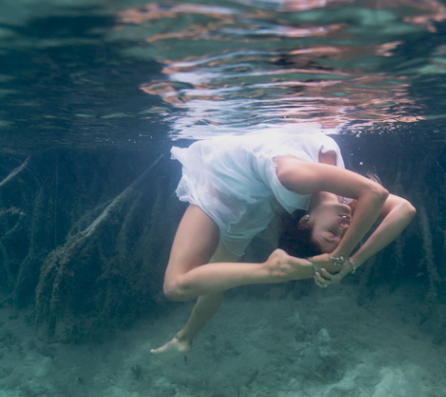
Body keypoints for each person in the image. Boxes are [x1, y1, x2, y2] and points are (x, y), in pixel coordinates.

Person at [151, 127, 416, 358]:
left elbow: (375, 193)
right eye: (340, 236)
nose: (345, 230)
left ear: (306, 222)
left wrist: (340, 257)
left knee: (176, 286)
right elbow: (404, 209)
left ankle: (270, 271)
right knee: (211, 276)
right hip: (248, 185)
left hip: (224, 186)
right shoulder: (347, 201)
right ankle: (186, 338)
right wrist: (349, 262)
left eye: (331, 236)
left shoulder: (294, 178)